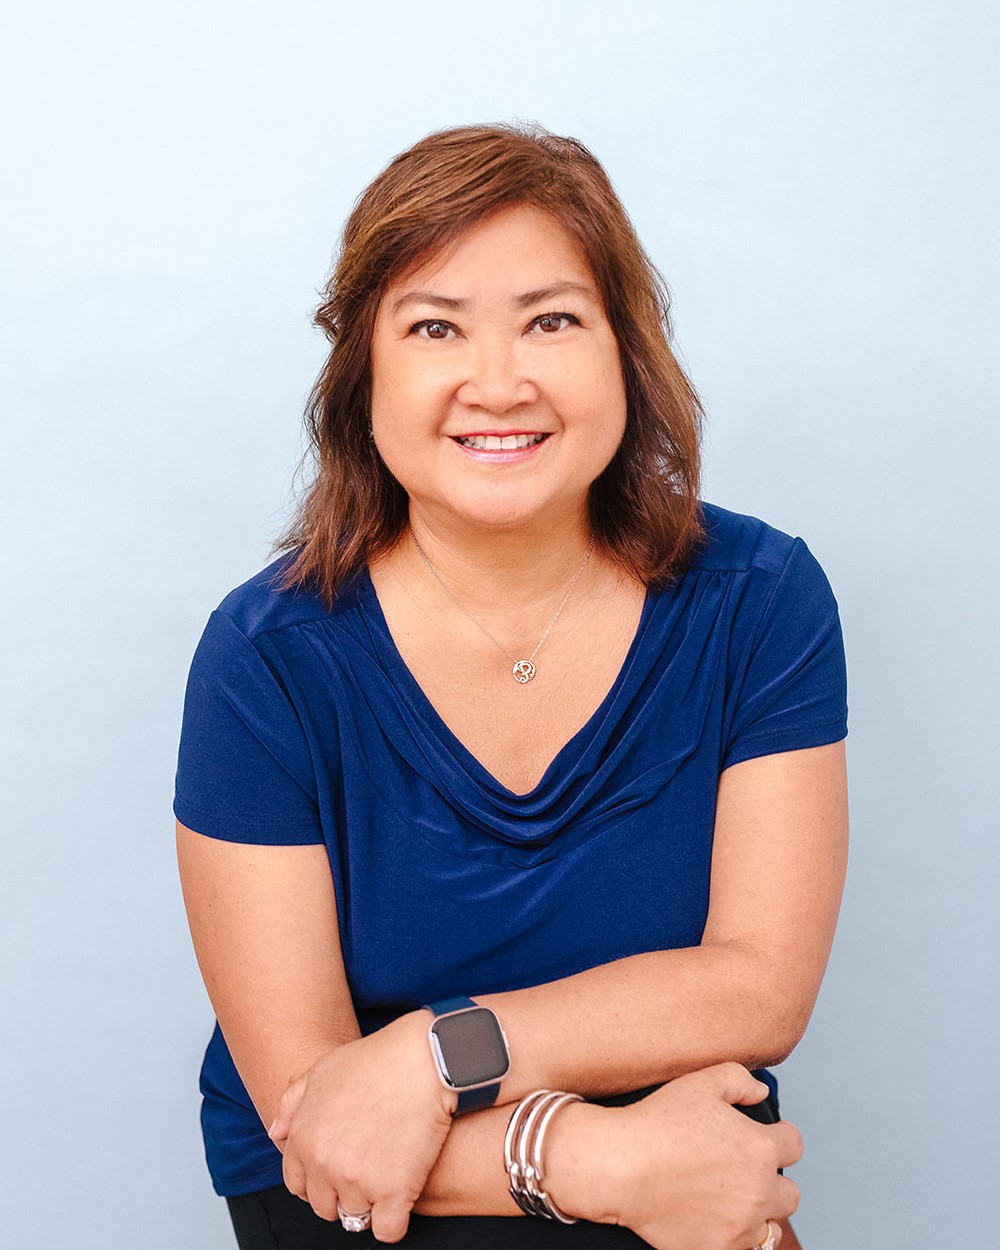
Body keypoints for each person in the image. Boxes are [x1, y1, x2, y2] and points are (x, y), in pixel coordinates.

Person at [175, 123, 848, 1250]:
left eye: (551, 321)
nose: (497, 383)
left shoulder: (758, 600)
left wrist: (432, 1054)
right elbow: (313, 1117)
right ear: (364, 376)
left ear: (627, 352)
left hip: (694, 1199)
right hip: (372, 1219)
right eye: (434, 327)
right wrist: (597, 1160)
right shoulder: (266, 658)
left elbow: (760, 989)